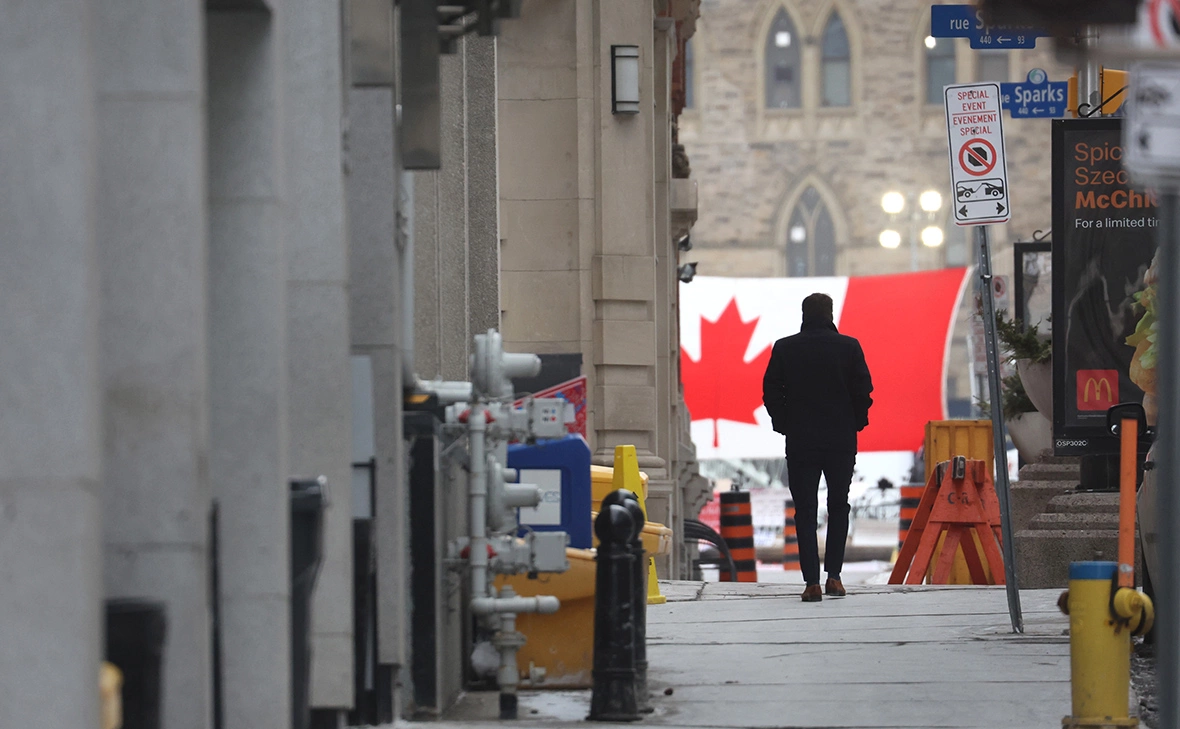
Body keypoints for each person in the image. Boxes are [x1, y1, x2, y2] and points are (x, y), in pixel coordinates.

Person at [762, 293, 873, 602]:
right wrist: (856, 422)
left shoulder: (785, 348)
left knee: (805, 511)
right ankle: (834, 577)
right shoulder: (849, 347)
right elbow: (863, 390)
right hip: (840, 440)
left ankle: (811, 582)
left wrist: (784, 422)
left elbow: (771, 390)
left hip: (801, 441)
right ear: (830, 314)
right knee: (839, 506)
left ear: (804, 314)